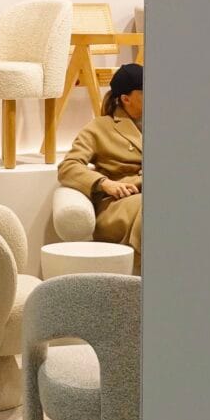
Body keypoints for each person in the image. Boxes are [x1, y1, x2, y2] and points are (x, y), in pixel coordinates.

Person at [58, 62, 143, 273]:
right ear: (126, 99)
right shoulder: (99, 127)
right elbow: (68, 167)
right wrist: (104, 183)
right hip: (119, 203)